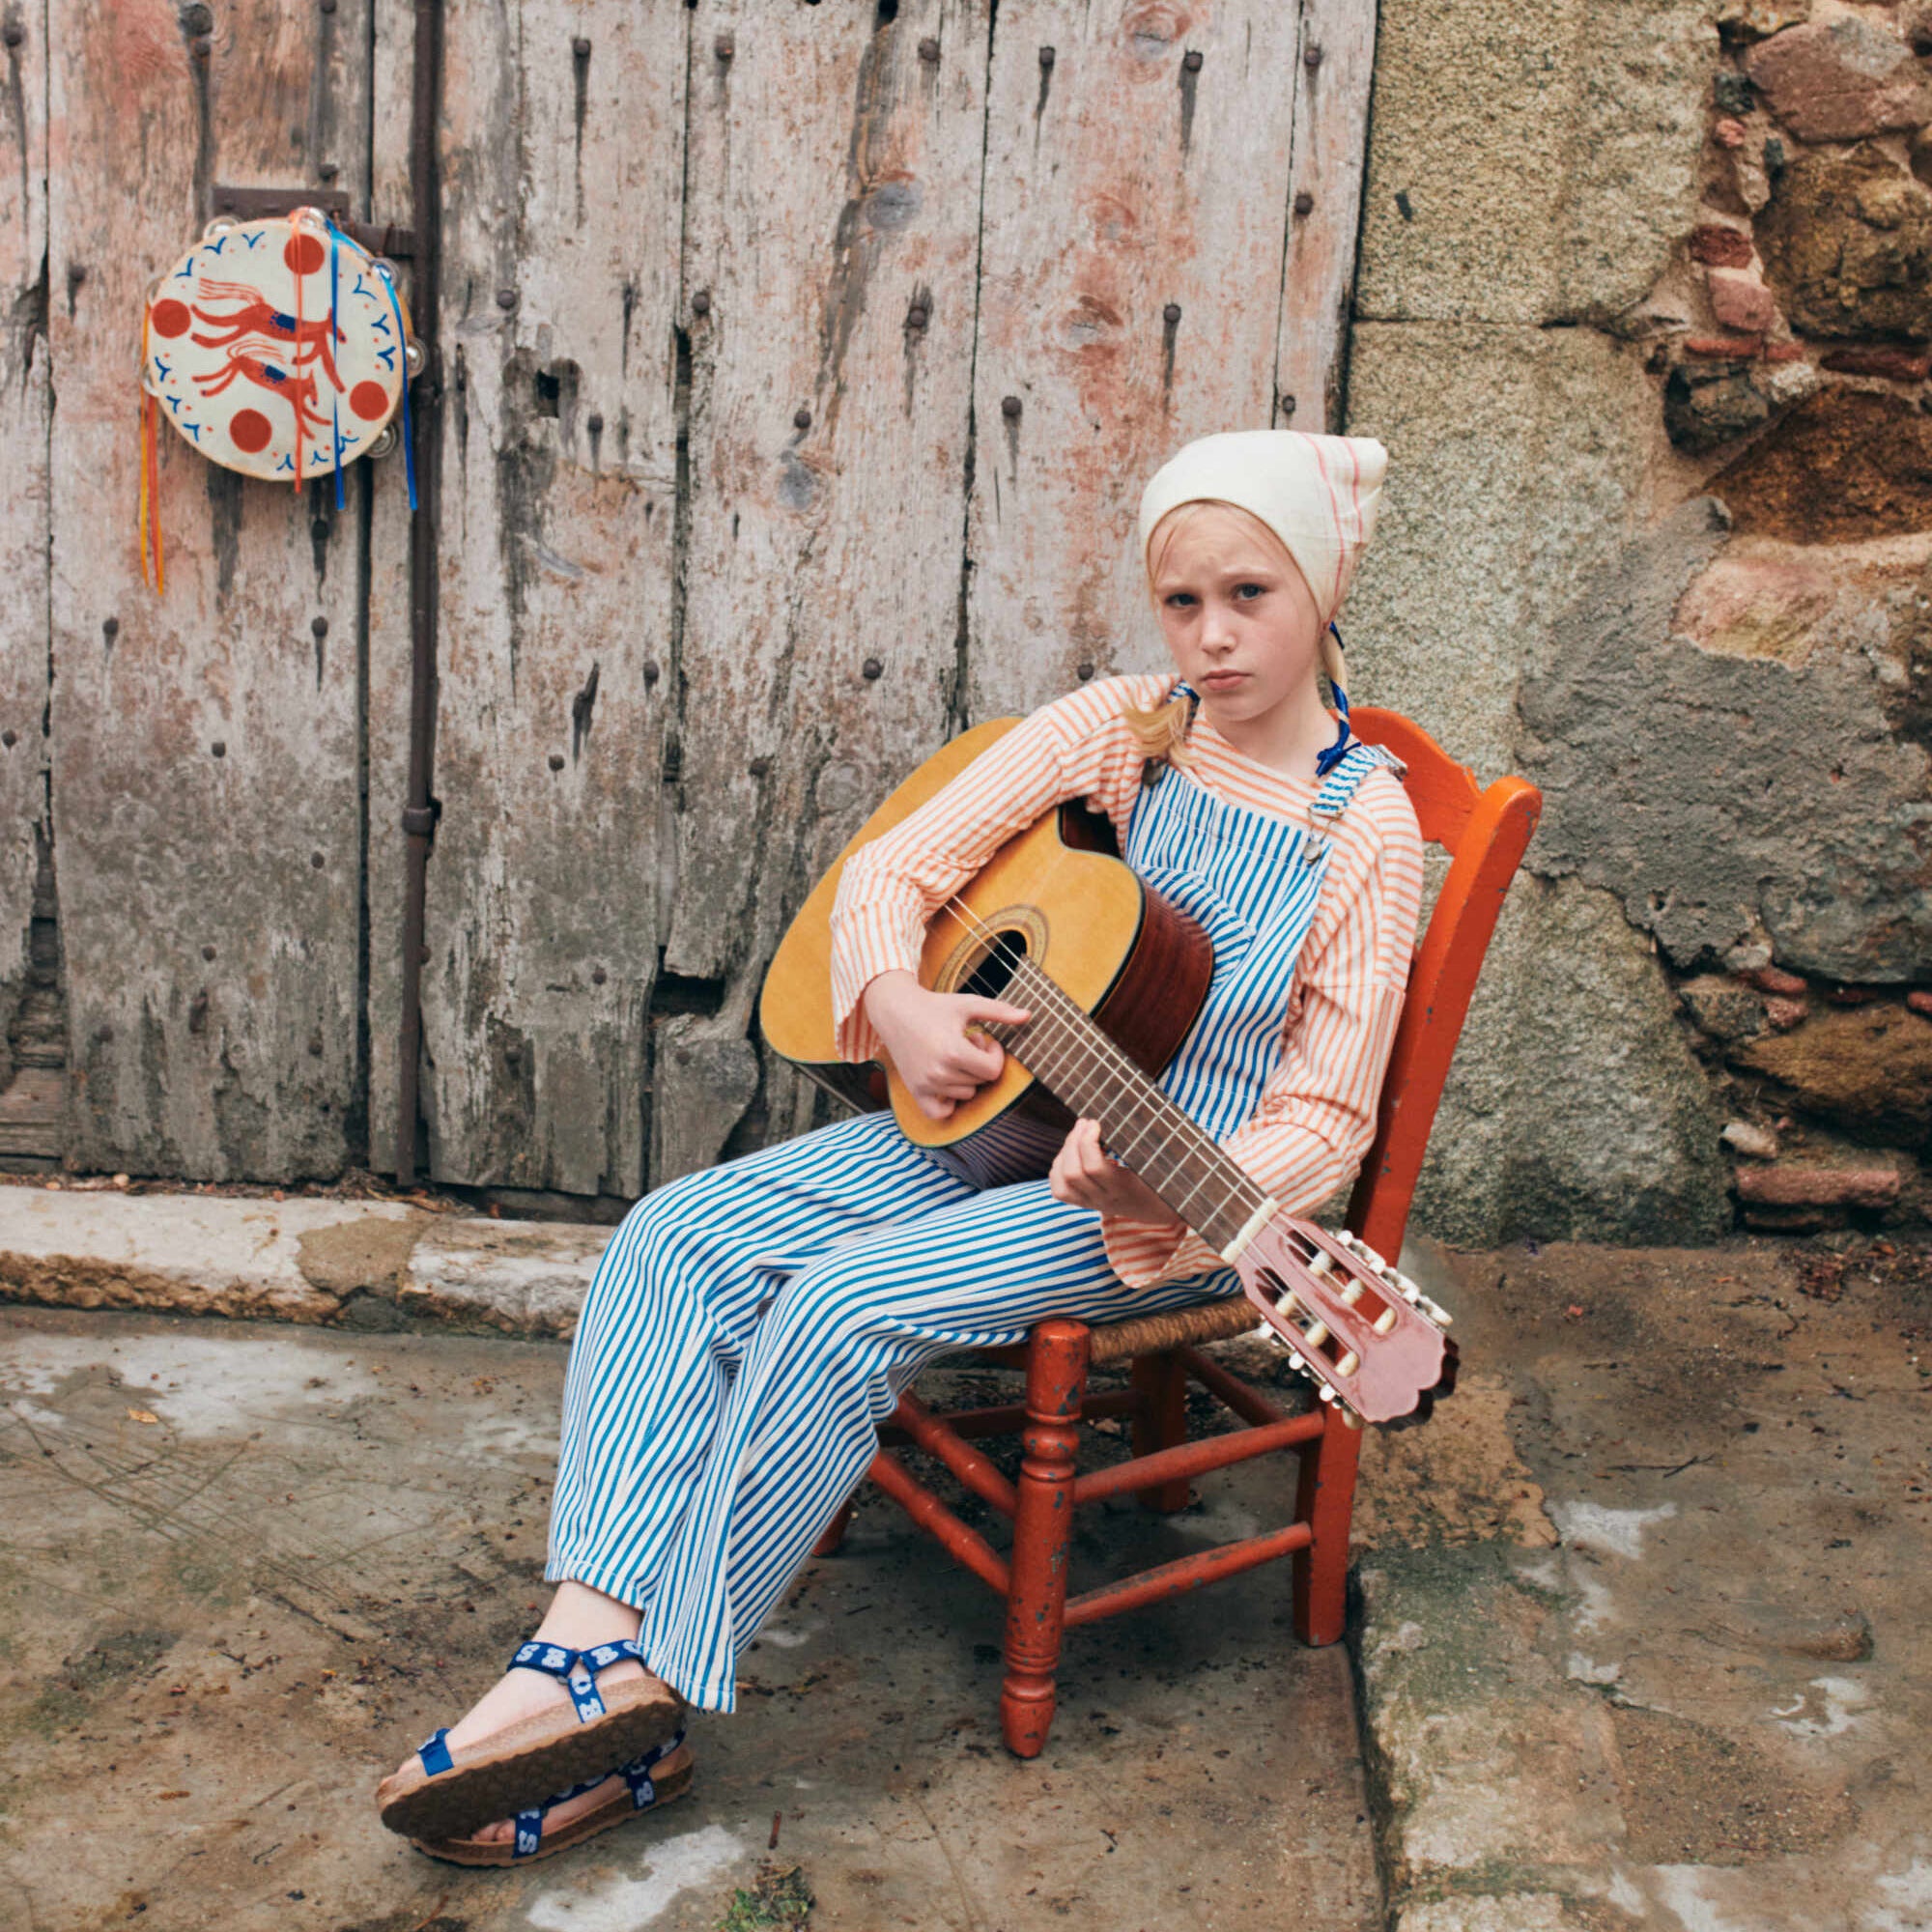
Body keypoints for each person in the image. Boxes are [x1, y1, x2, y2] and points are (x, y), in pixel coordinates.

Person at [374, 428, 1426, 1864]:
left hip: (1146, 1206)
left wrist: (1160, 1181)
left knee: (837, 1306)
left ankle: (645, 1699)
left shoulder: (1362, 824)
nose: (1215, 636)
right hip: (994, 1125)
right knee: (674, 1236)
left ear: (1322, 585)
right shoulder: (1131, 726)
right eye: (1183, 603)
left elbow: (1328, 1117)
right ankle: (578, 1643)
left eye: (1252, 594)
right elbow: (894, 866)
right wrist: (896, 998)